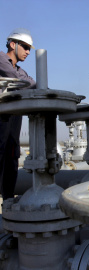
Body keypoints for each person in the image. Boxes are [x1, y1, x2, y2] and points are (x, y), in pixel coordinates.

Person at [0, 28, 36, 200]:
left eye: (29, 48)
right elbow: (17, 78)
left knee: (12, 155)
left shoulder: (19, 69)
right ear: (13, 44)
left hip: (14, 115)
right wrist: (24, 83)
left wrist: (25, 83)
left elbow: (32, 83)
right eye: (25, 47)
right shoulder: (1, 59)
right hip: (1, 114)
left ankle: (7, 199)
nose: (28, 52)